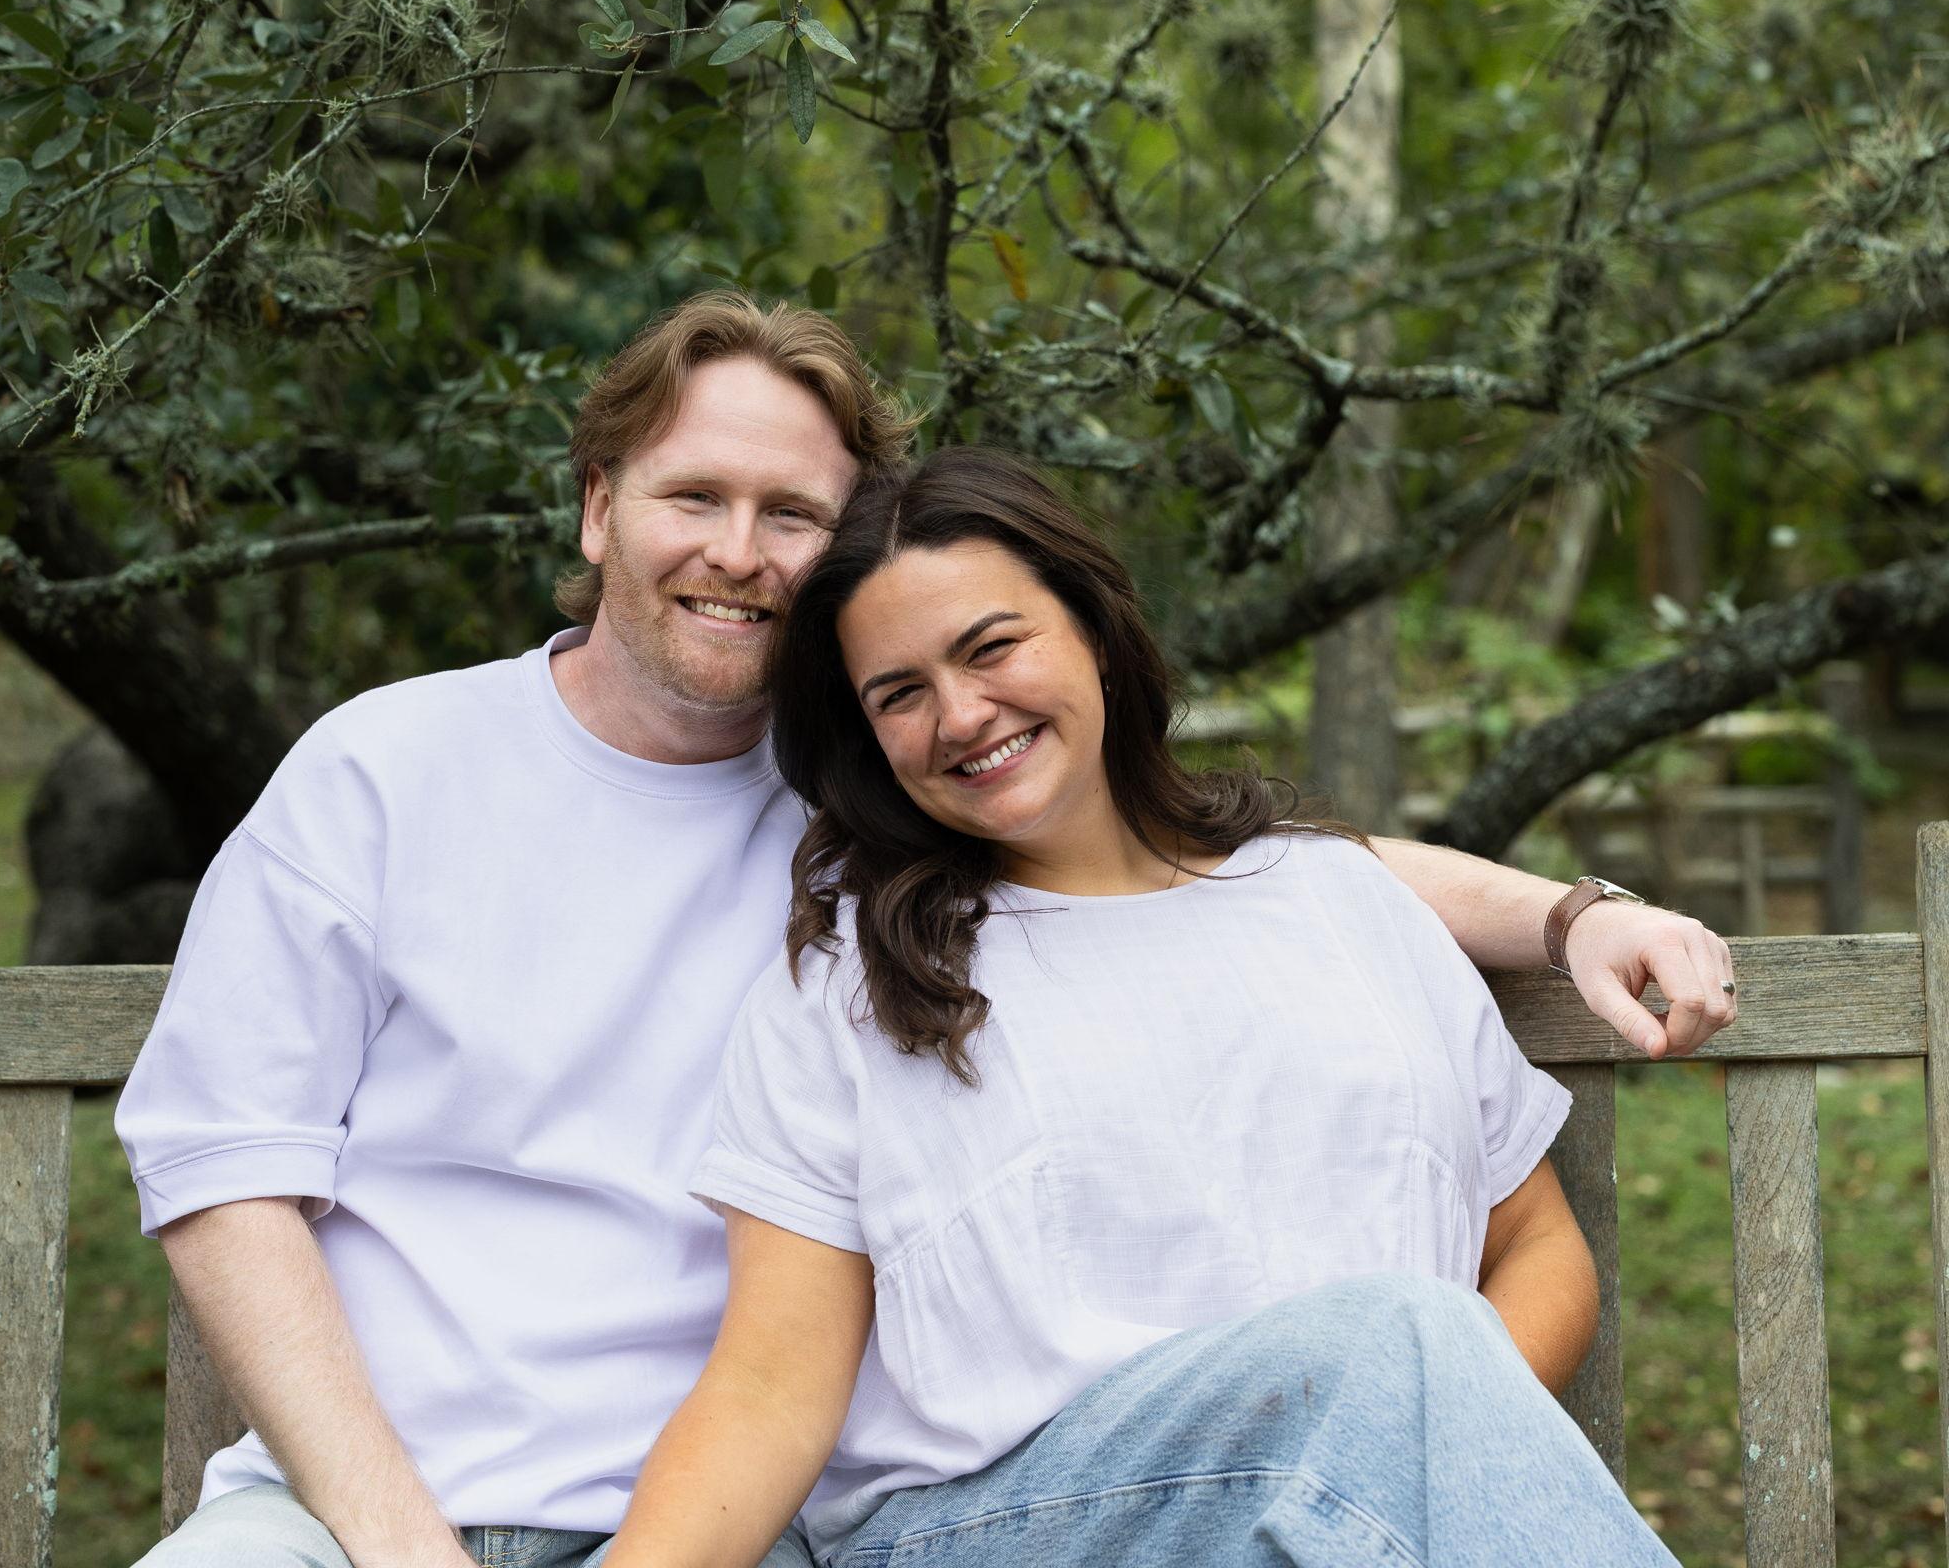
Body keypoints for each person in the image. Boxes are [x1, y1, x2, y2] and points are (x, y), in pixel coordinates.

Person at [116, 292, 1729, 1568]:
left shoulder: (877, 810)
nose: (737, 550)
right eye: (693, 495)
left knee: (1383, 1362)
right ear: (599, 507)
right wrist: (396, 1542)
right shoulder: (395, 771)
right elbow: (220, 1163)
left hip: (756, 1524)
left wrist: (1570, 912)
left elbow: (1239, 870)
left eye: (791, 514)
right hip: (367, 1515)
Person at [600, 446, 1680, 1568]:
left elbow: (1534, 1242)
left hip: (1334, 1530)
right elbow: (767, 1389)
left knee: (1392, 1352)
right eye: (900, 693)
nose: (960, 714)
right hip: (998, 1535)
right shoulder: (849, 991)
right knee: (1387, 1343)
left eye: (991, 647)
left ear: (1098, 635)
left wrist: (1398, 1450)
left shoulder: (1341, 899)